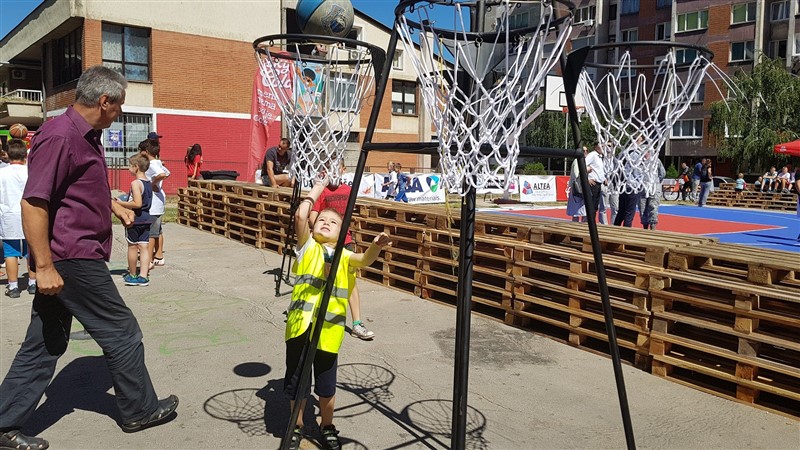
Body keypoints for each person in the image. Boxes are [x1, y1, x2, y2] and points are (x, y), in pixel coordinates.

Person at [0, 66, 178, 450]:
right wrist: (43, 266)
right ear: (104, 101)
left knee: (45, 342)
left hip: (70, 254)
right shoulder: (60, 136)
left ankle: (3, 422)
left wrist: (113, 205)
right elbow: (34, 202)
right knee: (122, 331)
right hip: (72, 256)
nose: (120, 112)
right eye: (119, 105)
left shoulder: (86, 136)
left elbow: (74, 189)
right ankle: (140, 409)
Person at [285, 173, 391, 450]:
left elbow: (364, 260)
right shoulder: (307, 248)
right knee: (297, 382)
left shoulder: (344, 256)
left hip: (328, 333)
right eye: (322, 219)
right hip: (300, 328)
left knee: (326, 384)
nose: (326, 222)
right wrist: (317, 188)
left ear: (343, 232)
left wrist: (375, 246)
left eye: (333, 222)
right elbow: (301, 216)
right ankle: (296, 425)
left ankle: (327, 425)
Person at [310, 160, 374, 340]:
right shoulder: (322, 191)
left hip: (345, 242)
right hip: (326, 244)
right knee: (322, 279)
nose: (332, 171)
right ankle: (314, 315)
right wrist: (324, 233)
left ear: (343, 170)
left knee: (350, 281)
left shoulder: (348, 191)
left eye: (335, 168)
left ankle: (357, 324)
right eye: (328, 168)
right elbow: (313, 217)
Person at [0, 138, 36, 297]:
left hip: (9, 215)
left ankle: (13, 286)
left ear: (7, 154)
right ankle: (33, 283)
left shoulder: (2, 173)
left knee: (10, 253)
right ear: (25, 155)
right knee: (32, 251)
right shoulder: (30, 172)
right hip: (30, 214)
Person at [115, 154, 154, 286]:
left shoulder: (136, 183)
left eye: (130, 165)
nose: (128, 168)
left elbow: (137, 203)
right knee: (144, 246)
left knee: (132, 246)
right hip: (146, 218)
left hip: (135, 218)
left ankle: (132, 274)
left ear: (136, 167)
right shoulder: (148, 182)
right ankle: (143, 276)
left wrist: (119, 203)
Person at [141, 140, 170, 269]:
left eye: (141, 151)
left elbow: (162, 174)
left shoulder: (152, 164)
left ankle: (149, 260)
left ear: (146, 152)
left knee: (151, 233)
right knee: (158, 230)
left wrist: (152, 184)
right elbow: (167, 173)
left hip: (154, 203)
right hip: (158, 201)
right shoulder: (158, 163)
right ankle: (159, 256)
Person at [638, 156, 666, 230]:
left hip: (653, 187)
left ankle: (653, 226)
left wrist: (656, 182)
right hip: (642, 188)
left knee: (653, 206)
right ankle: (645, 227)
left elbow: (662, 173)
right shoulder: (639, 161)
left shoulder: (656, 160)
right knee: (642, 207)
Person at [566, 147, 587, 223]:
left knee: (585, 212)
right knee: (576, 212)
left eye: (586, 151)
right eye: (583, 151)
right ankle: (574, 227)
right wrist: (586, 170)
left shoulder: (586, 161)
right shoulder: (576, 161)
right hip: (578, 189)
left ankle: (584, 227)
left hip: (584, 189)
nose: (585, 152)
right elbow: (576, 175)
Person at [586, 144, 606, 222]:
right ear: (596, 147)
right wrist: (587, 178)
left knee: (595, 206)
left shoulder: (600, 157)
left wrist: (603, 179)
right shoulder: (592, 155)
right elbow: (583, 164)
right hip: (593, 183)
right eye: (602, 146)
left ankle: (592, 222)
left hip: (599, 183)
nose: (604, 148)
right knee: (591, 205)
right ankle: (590, 222)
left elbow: (599, 170)